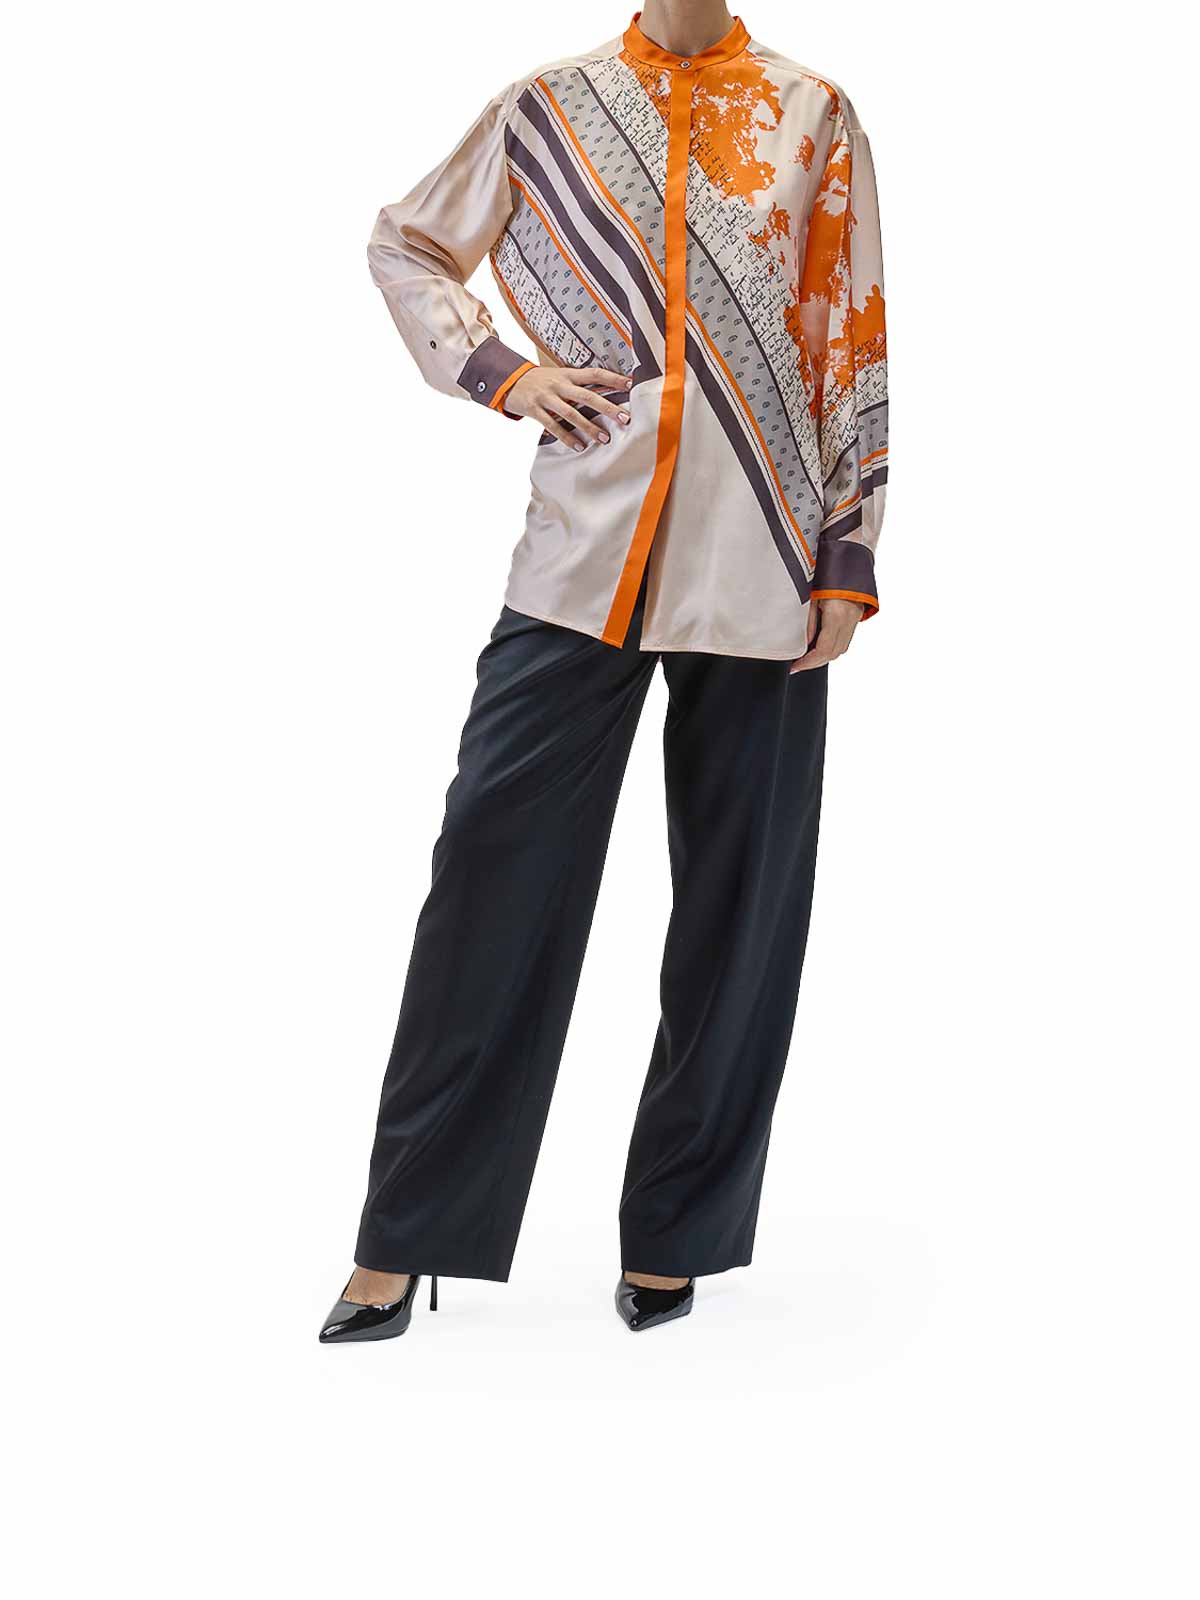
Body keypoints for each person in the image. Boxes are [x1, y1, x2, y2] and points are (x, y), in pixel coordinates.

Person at [320, 0, 888, 1342]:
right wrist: (500, 371)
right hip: (584, 553)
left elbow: (850, 334)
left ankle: (678, 1231)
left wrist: (848, 550)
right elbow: (406, 243)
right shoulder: (547, 105)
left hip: (766, 558)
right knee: (490, 878)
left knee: (740, 911)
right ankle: (408, 1233)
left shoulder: (814, 113)